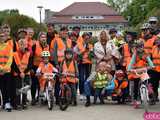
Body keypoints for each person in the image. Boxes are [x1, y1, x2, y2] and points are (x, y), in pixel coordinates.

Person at [127, 40, 155, 108]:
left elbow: (149, 61)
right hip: (137, 71)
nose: (140, 48)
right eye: (138, 47)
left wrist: (152, 66)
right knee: (136, 86)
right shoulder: (135, 54)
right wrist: (129, 69)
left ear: (143, 47)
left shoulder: (145, 53)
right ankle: (136, 100)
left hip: (144, 70)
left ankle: (151, 97)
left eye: (141, 47)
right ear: (136, 48)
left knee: (147, 83)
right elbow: (131, 62)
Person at [52, 26, 72, 104]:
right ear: (60, 32)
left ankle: (65, 98)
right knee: (58, 81)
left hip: (67, 64)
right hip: (59, 63)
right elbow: (54, 53)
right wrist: (56, 63)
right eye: (63, 32)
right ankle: (57, 98)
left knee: (66, 80)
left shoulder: (69, 41)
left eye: (66, 32)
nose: (65, 33)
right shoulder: (57, 40)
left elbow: (71, 52)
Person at [11, 38, 32, 109]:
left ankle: (24, 103)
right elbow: (13, 65)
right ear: (18, 45)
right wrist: (20, 73)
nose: (22, 46)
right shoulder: (14, 54)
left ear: (26, 45)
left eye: (24, 44)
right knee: (18, 89)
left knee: (25, 88)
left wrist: (24, 72)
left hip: (26, 74)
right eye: (21, 44)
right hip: (17, 74)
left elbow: (30, 65)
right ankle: (18, 103)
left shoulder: (29, 54)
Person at [31, 32, 49, 105]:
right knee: (34, 83)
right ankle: (33, 98)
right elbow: (31, 57)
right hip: (35, 67)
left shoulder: (47, 46)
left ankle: (40, 97)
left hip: (44, 67)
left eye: (44, 37)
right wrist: (31, 68)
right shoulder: (35, 46)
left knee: (42, 83)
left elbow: (48, 58)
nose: (43, 38)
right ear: (39, 38)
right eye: (42, 37)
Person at [76, 32, 94, 99]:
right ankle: (81, 93)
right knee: (81, 79)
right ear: (83, 38)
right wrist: (84, 50)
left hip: (88, 63)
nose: (86, 39)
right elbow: (77, 54)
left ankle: (87, 93)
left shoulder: (91, 45)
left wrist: (91, 53)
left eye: (88, 38)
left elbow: (92, 55)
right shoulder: (78, 45)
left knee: (88, 79)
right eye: (85, 38)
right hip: (81, 63)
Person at [0, 29, 13, 111]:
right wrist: (0, 68)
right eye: (0, 36)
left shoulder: (9, 46)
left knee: (7, 88)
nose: (1, 37)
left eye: (3, 36)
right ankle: (3, 103)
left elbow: (10, 59)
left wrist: (5, 69)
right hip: (0, 70)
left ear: (5, 37)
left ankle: (7, 103)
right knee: (1, 88)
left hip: (7, 71)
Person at [150, 35, 160, 102]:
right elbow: (150, 58)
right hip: (154, 69)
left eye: (158, 40)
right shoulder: (153, 47)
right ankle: (154, 97)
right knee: (154, 84)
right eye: (156, 40)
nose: (157, 41)